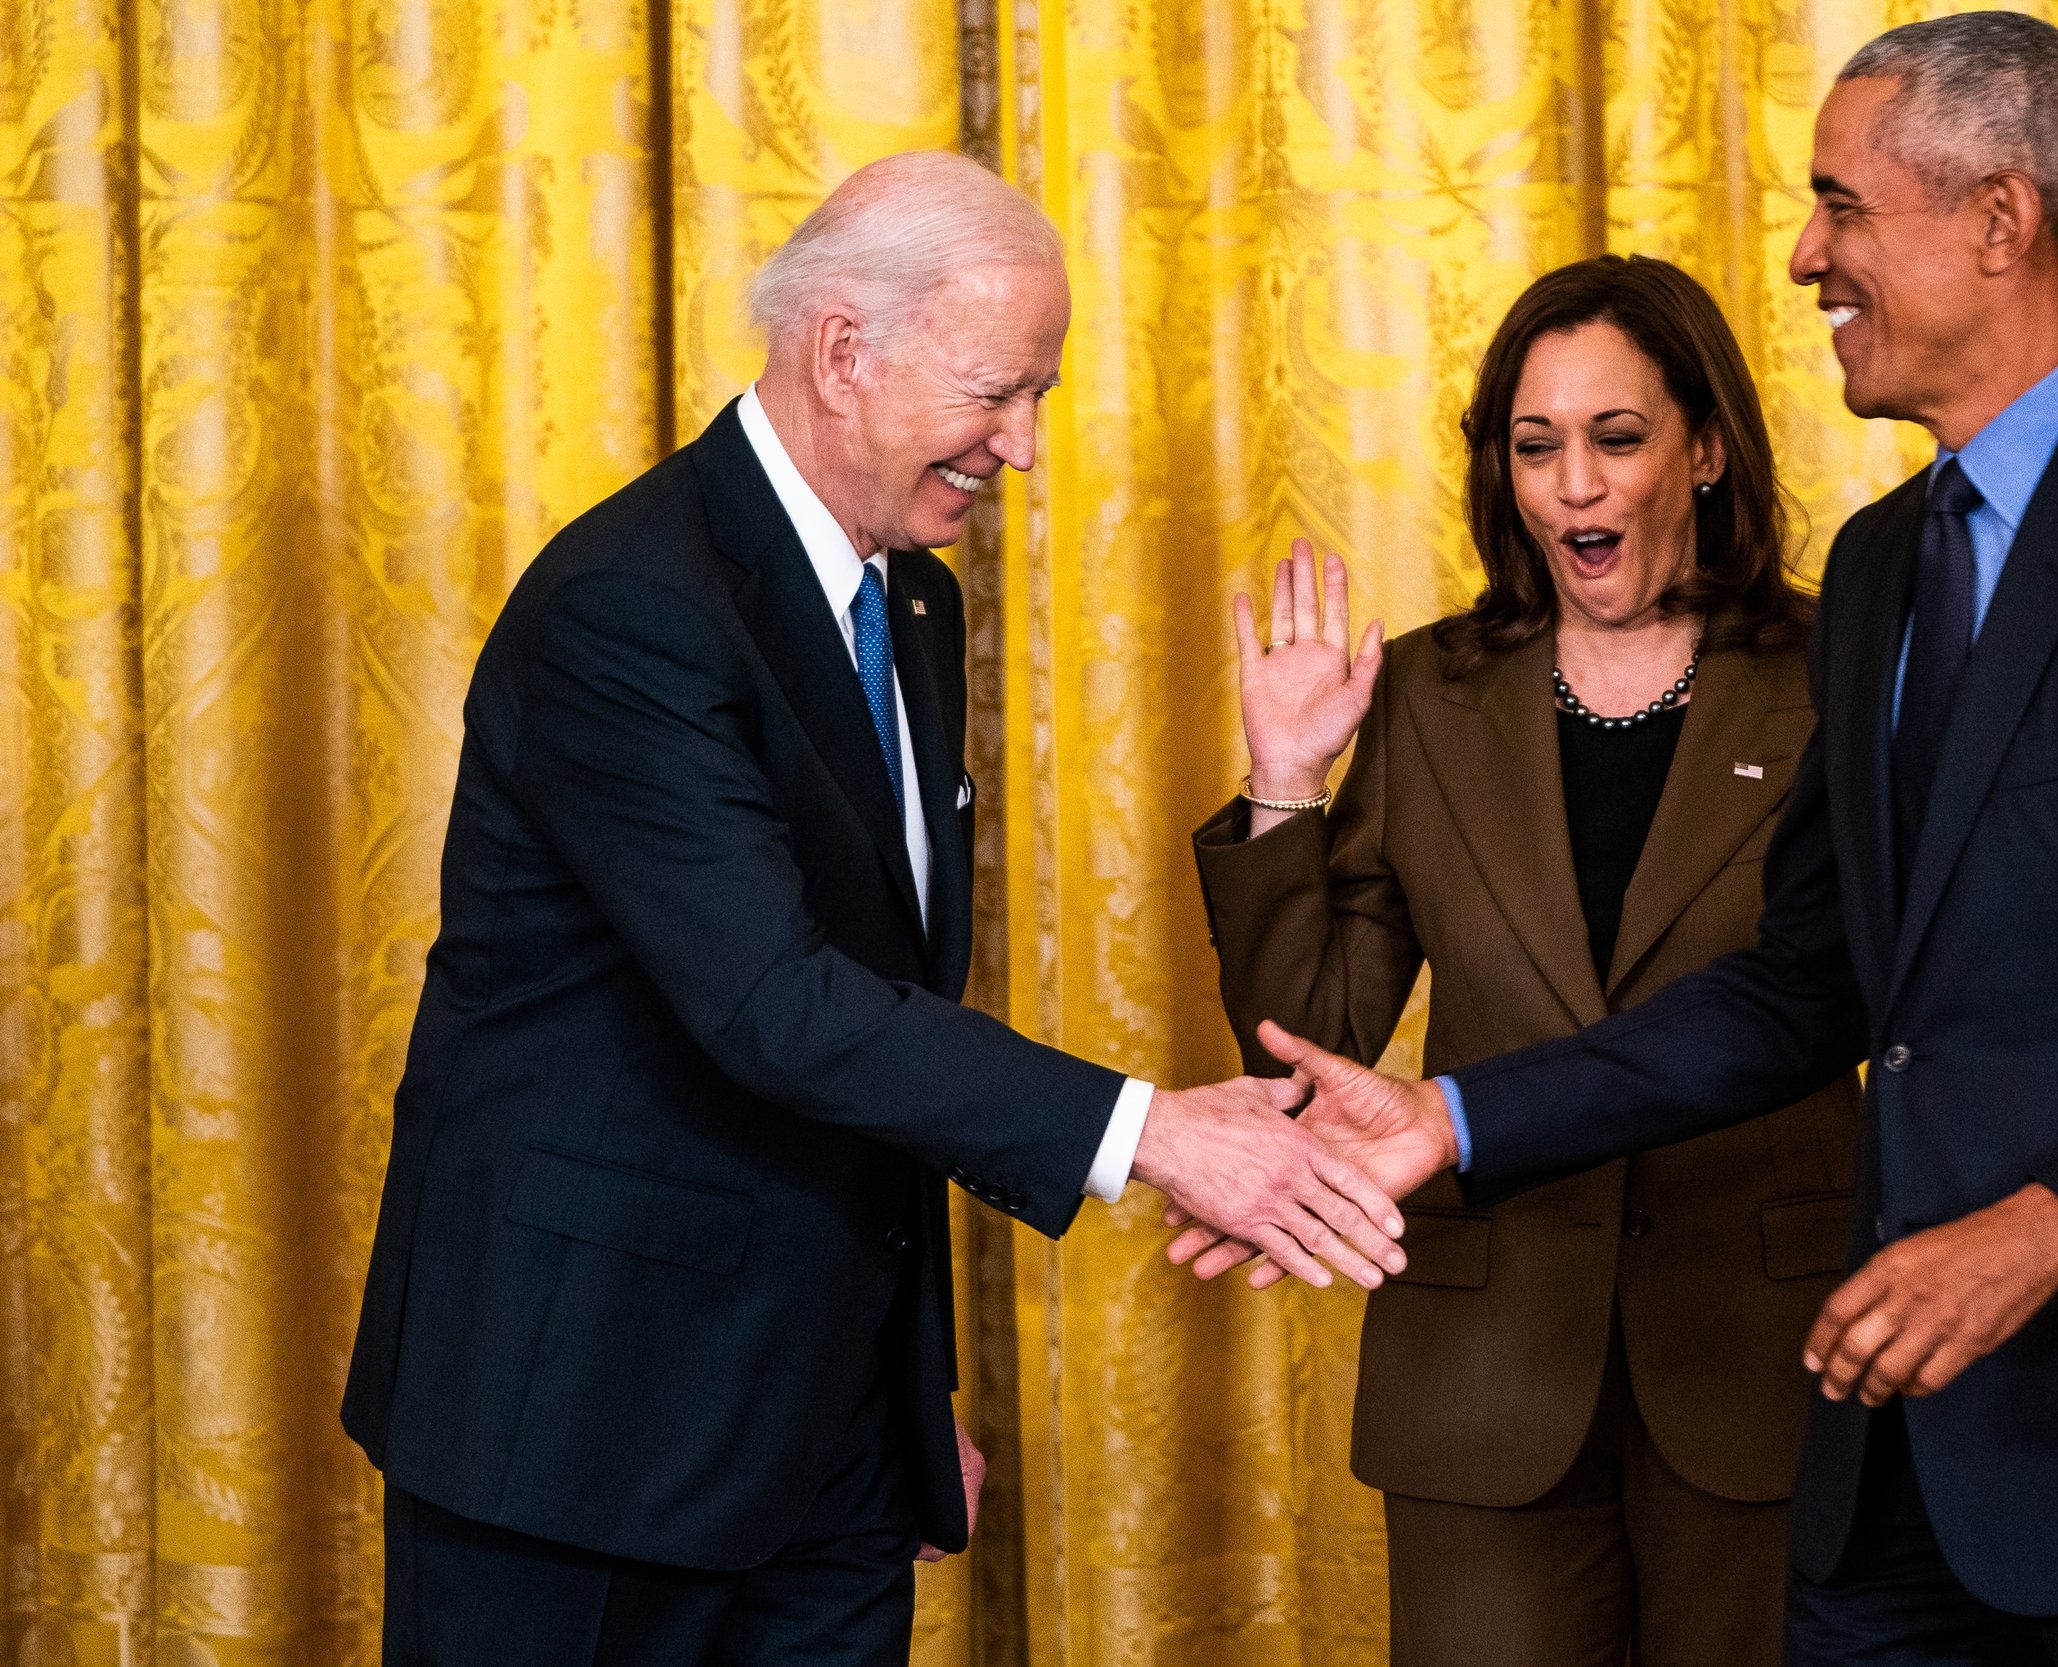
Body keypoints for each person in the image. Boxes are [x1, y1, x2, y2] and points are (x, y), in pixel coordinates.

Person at [1179, 15, 2058, 1664]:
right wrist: (1455, 1118)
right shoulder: (1882, 570)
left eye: (1841, 207)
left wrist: (2052, 1224)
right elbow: (1809, 985)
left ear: (1999, 222)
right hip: (1893, 1484)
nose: (1802, 255)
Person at [342, 150, 1405, 1667]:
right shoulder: (629, 605)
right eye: (999, 391)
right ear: (844, 353)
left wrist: (906, 1411)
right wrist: (1155, 1134)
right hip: (579, 1435)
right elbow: (775, 1003)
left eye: (1040, 394)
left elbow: (884, 1013)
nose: (1024, 447)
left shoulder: (911, 597)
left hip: (823, 1449)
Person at [1186, 254, 1858, 1667]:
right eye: (1536, 446)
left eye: (1617, 440)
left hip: (1763, 1357)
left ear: (1708, 448)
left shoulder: (1834, 673)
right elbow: (1308, 1041)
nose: (1575, 487)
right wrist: (1284, 780)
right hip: (1485, 1378)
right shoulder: (1432, 693)